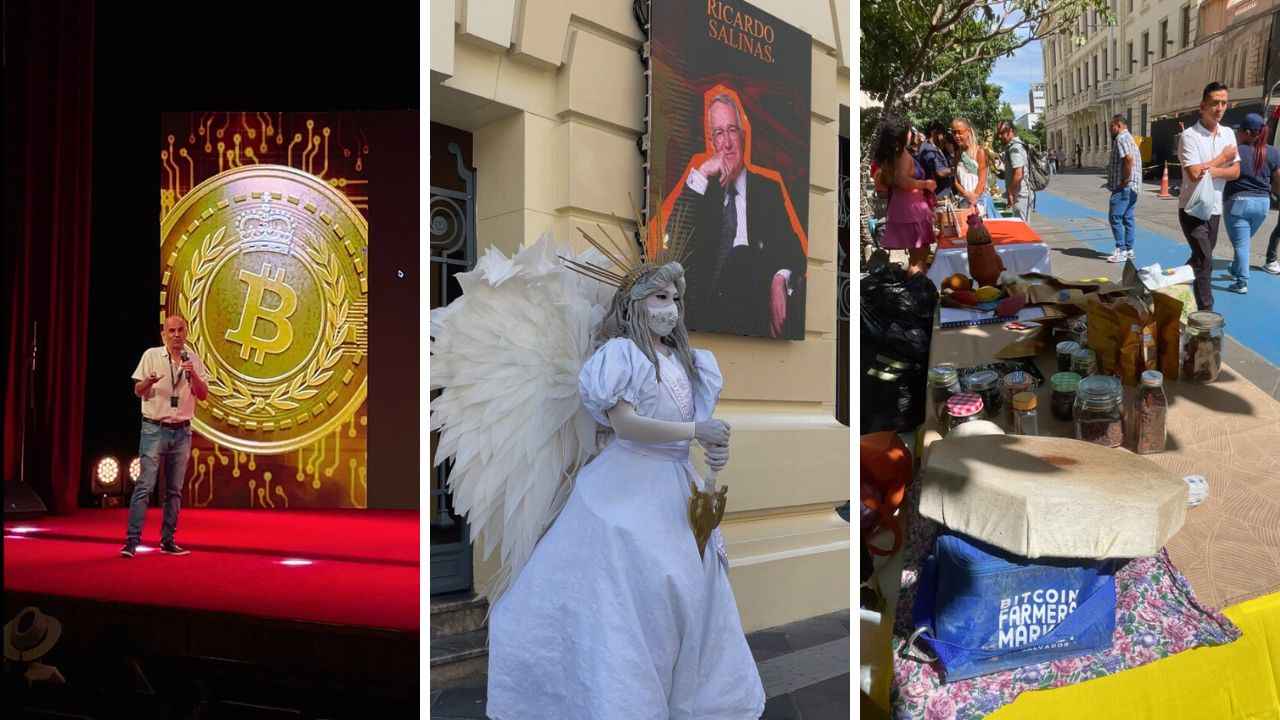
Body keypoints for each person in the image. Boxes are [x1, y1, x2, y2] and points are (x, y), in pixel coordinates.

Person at [482, 260, 765, 718]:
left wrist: (714, 448)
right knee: (632, 598)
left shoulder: (690, 363)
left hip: (677, 485)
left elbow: (693, 425)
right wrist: (696, 430)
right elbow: (626, 425)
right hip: (626, 483)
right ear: (635, 304)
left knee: (689, 594)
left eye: (675, 299)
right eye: (660, 298)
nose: (670, 308)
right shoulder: (622, 356)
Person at [673, 93, 806, 339]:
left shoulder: (768, 190)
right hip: (708, 311)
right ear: (712, 142)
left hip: (756, 310)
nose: (726, 143)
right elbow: (674, 240)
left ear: (743, 135)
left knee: (743, 257)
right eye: (719, 133)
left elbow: (794, 253)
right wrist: (702, 172)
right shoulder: (703, 191)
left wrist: (780, 279)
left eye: (732, 130)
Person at [121, 314, 208, 558]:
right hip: (154, 429)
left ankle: (168, 541)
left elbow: (203, 394)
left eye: (180, 330)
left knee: (174, 490)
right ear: (164, 335)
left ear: (186, 333)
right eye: (172, 331)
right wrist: (148, 381)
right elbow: (137, 390)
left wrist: (194, 376)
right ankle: (131, 542)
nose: (176, 335)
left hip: (182, 430)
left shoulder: (193, 359)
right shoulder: (151, 356)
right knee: (145, 485)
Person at [1178, 82, 1240, 312]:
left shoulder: (1228, 134)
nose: (1220, 108)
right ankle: (1206, 312)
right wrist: (1222, 159)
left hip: (1214, 209)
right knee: (1205, 260)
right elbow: (1194, 174)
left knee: (1199, 259)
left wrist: (1211, 170)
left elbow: (1236, 172)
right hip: (1192, 209)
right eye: (1215, 103)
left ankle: (1171, 283)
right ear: (1202, 106)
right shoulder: (1189, 136)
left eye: (1224, 103)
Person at [1222, 113, 1280, 293]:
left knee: (1241, 244)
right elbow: (1278, 180)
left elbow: (1224, 173)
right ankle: (1235, 268)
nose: (1237, 134)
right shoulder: (1273, 152)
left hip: (1239, 201)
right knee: (1243, 241)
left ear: (1246, 132)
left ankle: (1242, 282)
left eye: (1239, 130)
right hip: (1263, 204)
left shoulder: (1236, 150)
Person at [875, 115, 936, 276]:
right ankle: (917, 289)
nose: (912, 134)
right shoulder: (901, 154)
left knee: (919, 256)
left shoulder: (894, 154)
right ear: (902, 134)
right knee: (918, 259)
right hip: (911, 211)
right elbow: (901, 181)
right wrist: (926, 184)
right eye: (909, 131)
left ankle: (917, 286)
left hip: (906, 208)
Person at [1105, 114, 1143, 263]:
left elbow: (1128, 159)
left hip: (1125, 186)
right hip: (1133, 186)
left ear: (1118, 125)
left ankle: (1121, 250)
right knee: (1128, 217)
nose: (1110, 130)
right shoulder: (1130, 138)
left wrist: (1125, 180)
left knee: (1115, 217)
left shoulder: (1121, 138)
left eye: (1111, 127)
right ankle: (1129, 249)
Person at [950, 118, 998, 217]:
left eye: (959, 132)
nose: (956, 136)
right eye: (954, 133)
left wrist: (974, 199)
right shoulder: (957, 155)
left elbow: (982, 181)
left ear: (968, 131)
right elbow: (956, 181)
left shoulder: (980, 152)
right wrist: (966, 194)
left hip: (979, 203)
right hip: (964, 202)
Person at [998, 121, 1033, 221]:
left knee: (1023, 226)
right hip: (1018, 194)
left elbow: (1018, 174)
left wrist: (1010, 192)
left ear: (1011, 131)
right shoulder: (1013, 146)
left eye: (1002, 133)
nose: (1000, 136)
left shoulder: (1014, 148)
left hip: (1020, 195)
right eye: (998, 134)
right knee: (1020, 224)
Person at [918, 124, 954, 201]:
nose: (943, 138)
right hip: (937, 196)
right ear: (934, 133)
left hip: (942, 194)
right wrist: (956, 169)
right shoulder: (928, 149)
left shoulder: (935, 147)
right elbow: (940, 172)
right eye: (942, 134)